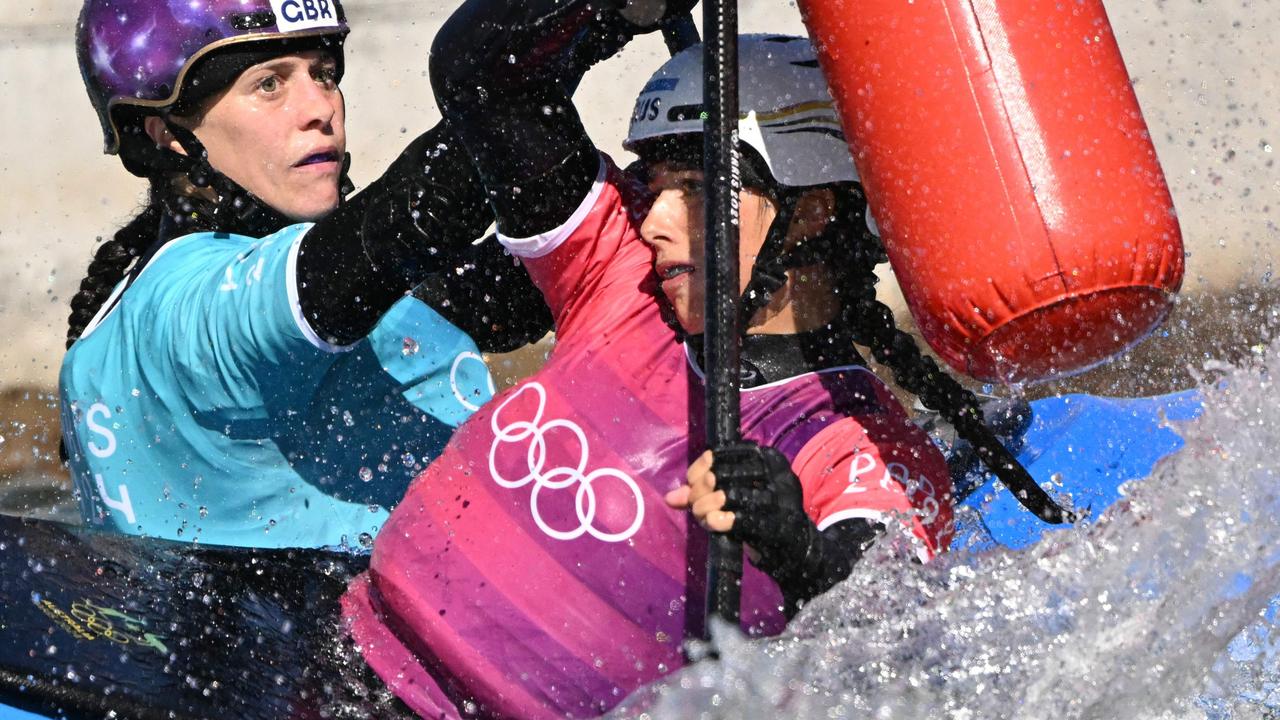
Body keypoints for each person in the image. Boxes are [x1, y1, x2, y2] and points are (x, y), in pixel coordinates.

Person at [59, 0, 552, 549]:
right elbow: (414, 217)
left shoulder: (342, 295)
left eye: (323, 73)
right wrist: (518, 69)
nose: (322, 106)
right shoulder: (184, 310)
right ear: (166, 133)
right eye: (269, 84)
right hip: (286, 626)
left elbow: (531, 263)